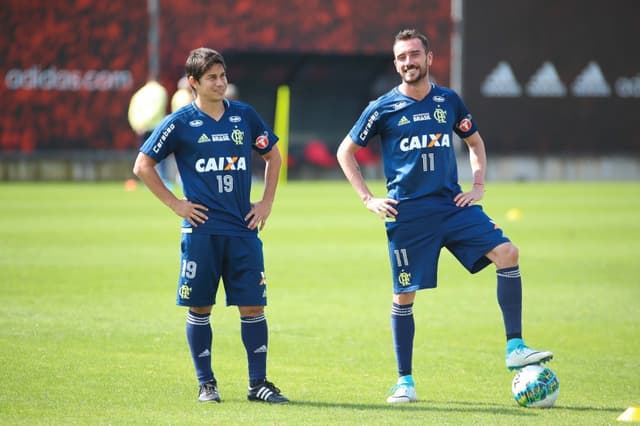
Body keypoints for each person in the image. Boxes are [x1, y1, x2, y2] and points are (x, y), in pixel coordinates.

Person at [336, 29, 553, 404]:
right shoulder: (382, 107)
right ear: (396, 63)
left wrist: (479, 185)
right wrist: (368, 199)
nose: (408, 62)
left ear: (429, 58)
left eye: (414, 55)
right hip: (408, 215)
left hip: (453, 206)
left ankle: (515, 346)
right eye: (402, 57)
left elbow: (475, 143)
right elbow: (345, 151)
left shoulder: (448, 102)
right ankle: (405, 382)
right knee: (404, 296)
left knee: (508, 253)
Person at [133, 47, 288, 404]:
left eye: (222, 76)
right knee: (200, 307)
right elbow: (142, 165)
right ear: (193, 83)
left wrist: (266, 203)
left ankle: (258, 384)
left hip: (242, 230)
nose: (220, 83)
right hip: (201, 232)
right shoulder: (180, 122)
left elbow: (273, 156)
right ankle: (207, 384)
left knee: (253, 306)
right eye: (212, 78)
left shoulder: (244, 116)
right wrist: (176, 204)